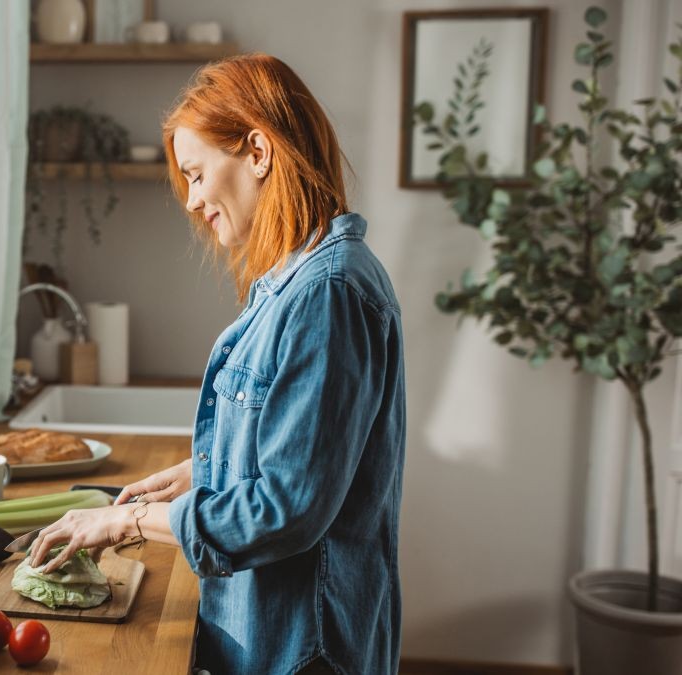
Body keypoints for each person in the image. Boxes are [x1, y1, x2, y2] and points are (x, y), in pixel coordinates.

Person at [27, 53, 406, 675]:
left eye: (197, 174)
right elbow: (293, 452)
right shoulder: (293, 280)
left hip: (303, 646)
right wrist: (202, 473)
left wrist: (127, 520)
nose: (193, 200)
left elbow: (286, 509)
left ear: (258, 152)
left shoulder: (327, 293)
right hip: (272, 629)